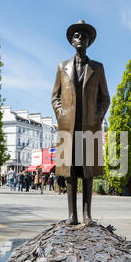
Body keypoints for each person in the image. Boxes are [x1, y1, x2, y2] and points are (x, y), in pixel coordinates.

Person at [52, 20, 110, 224]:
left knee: (87, 171)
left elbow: (105, 98)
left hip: (89, 126)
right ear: (71, 41)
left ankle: (87, 215)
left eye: (84, 36)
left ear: (89, 42)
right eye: (76, 36)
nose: (80, 39)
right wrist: (61, 114)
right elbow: (55, 96)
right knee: (70, 171)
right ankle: (72, 215)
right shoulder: (62, 67)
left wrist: (97, 116)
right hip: (68, 126)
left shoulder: (98, 68)